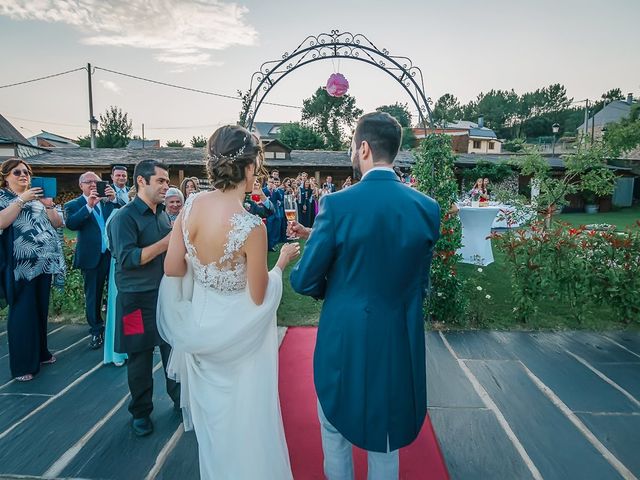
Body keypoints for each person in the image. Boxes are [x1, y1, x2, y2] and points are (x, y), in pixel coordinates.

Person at [289, 112, 440, 480]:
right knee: (386, 439)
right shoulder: (427, 208)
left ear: (365, 149)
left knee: (334, 429)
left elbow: (304, 279)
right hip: (398, 337)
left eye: (353, 149)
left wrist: (337, 290)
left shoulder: (338, 205)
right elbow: (421, 281)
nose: (352, 155)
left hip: (345, 337)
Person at [158, 125, 299, 479]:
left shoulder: (189, 207)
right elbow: (258, 297)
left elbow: (173, 266)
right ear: (250, 168)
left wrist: (202, 267)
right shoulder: (252, 227)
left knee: (214, 429)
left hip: (201, 332)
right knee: (244, 423)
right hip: (238, 342)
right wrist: (280, 264)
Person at [107, 159, 180, 437]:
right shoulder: (124, 217)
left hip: (163, 296)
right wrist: (167, 242)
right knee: (139, 359)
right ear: (141, 181)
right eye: (160, 181)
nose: (166, 186)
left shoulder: (162, 213)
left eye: (167, 180)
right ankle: (140, 413)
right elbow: (128, 259)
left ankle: (179, 402)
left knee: (172, 350)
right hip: (134, 301)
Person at [0, 158, 65, 382]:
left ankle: (41, 353)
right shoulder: (3, 198)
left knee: (39, 311)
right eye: (17, 172)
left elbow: (56, 224)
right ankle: (22, 365)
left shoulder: (37, 199)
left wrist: (48, 204)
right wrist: (21, 200)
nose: (23, 175)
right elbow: (1, 222)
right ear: (6, 177)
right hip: (20, 266)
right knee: (22, 314)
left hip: (43, 264)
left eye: (26, 172)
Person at [64, 172, 118, 349]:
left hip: (111, 256)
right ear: (81, 185)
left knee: (115, 292)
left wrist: (114, 200)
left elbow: (124, 216)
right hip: (91, 257)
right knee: (93, 296)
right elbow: (71, 224)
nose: (93, 185)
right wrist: (88, 206)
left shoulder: (107, 203)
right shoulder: (73, 204)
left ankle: (113, 326)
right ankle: (96, 330)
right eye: (89, 182)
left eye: (96, 182)